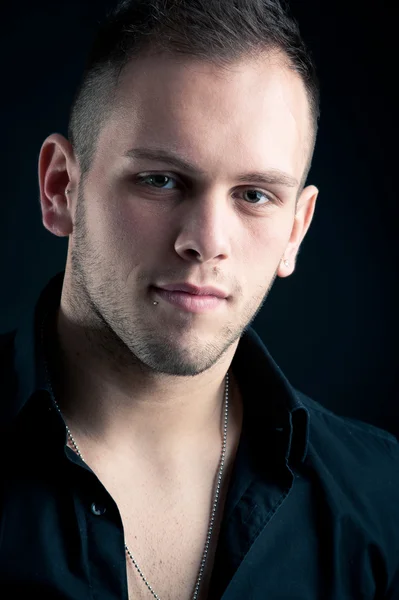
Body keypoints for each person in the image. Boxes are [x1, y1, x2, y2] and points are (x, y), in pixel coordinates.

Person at [1, 0, 398, 598]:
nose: (207, 242)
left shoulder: (382, 498)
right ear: (61, 186)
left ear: (296, 229)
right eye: (161, 180)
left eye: (255, 195)